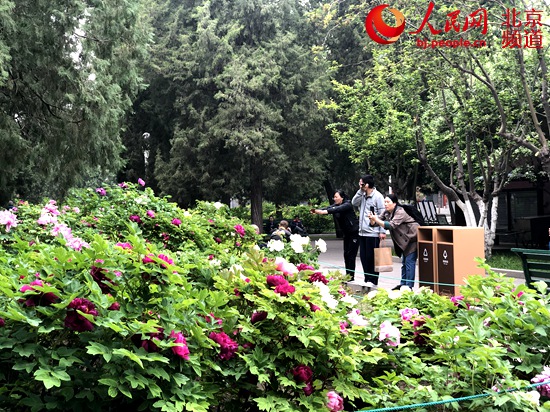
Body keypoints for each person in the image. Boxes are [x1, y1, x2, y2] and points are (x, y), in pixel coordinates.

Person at [368, 193, 419, 289]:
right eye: (385, 202)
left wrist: (376, 219)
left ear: (394, 203)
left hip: (412, 238)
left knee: (409, 262)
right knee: (404, 263)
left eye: (388, 202)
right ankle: (403, 284)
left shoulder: (400, 212)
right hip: (404, 240)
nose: (385, 204)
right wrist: (372, 219)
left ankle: (409, 286)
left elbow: (391, 225)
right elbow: (375, 224)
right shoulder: (387, 212)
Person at [311, 190, 359, 280]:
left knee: (351, 254)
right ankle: (348, 275)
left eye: (336, 197)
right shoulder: (336, 205)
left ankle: (351, 276)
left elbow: (335, 210)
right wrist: (316, 210)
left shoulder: (347, 205)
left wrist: (324, 212)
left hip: (354, 233)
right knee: (346, 254)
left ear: (342, 197)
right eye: (334, 197)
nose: (334, 199)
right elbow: (328, 208)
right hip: (346, 233)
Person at [351, 175, 385, 287]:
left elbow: (383, 214)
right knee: (364, 258)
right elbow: (354, 202)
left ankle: (373, 281)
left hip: (373, 232)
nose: (360, 185)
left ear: (367, 184)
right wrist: (360, 191)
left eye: (361, 183)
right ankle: (367, 279)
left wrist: (382, 231)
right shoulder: (362, 195)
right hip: (362, 232)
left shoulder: (378, 196)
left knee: (372, 258)